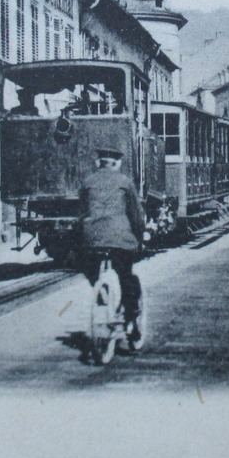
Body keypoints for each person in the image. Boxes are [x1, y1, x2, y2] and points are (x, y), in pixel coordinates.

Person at [77, 147, 147, 342]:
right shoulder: (125, 182)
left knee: (89, 266)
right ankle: (132, 317)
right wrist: (140, 237)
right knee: (126, 276)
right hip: (120, 239)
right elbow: (136, 215)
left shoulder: (87, 182)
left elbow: (81, 214)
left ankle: (102, 294)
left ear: (98, 163)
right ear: (116, 164)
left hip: (92, 239)